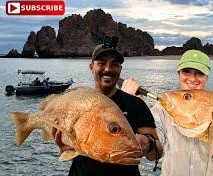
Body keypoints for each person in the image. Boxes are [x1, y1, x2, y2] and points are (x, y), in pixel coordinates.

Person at [121, 50, 213, 176]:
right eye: (186, 71)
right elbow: (153, 153)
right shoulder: (161, 110)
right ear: (179, 74)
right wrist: (133, 108)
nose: (192, 79)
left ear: (207, 77)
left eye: (199, 73)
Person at [52, 40, 163, 176]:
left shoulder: (136, 104)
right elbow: (65, 149)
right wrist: (63, 146)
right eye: (101, 63)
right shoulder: (77, 104)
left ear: (120, 70)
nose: (108, 69)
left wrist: (148, 143)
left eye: (114, 64)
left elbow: (157, 153)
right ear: (91, 67)